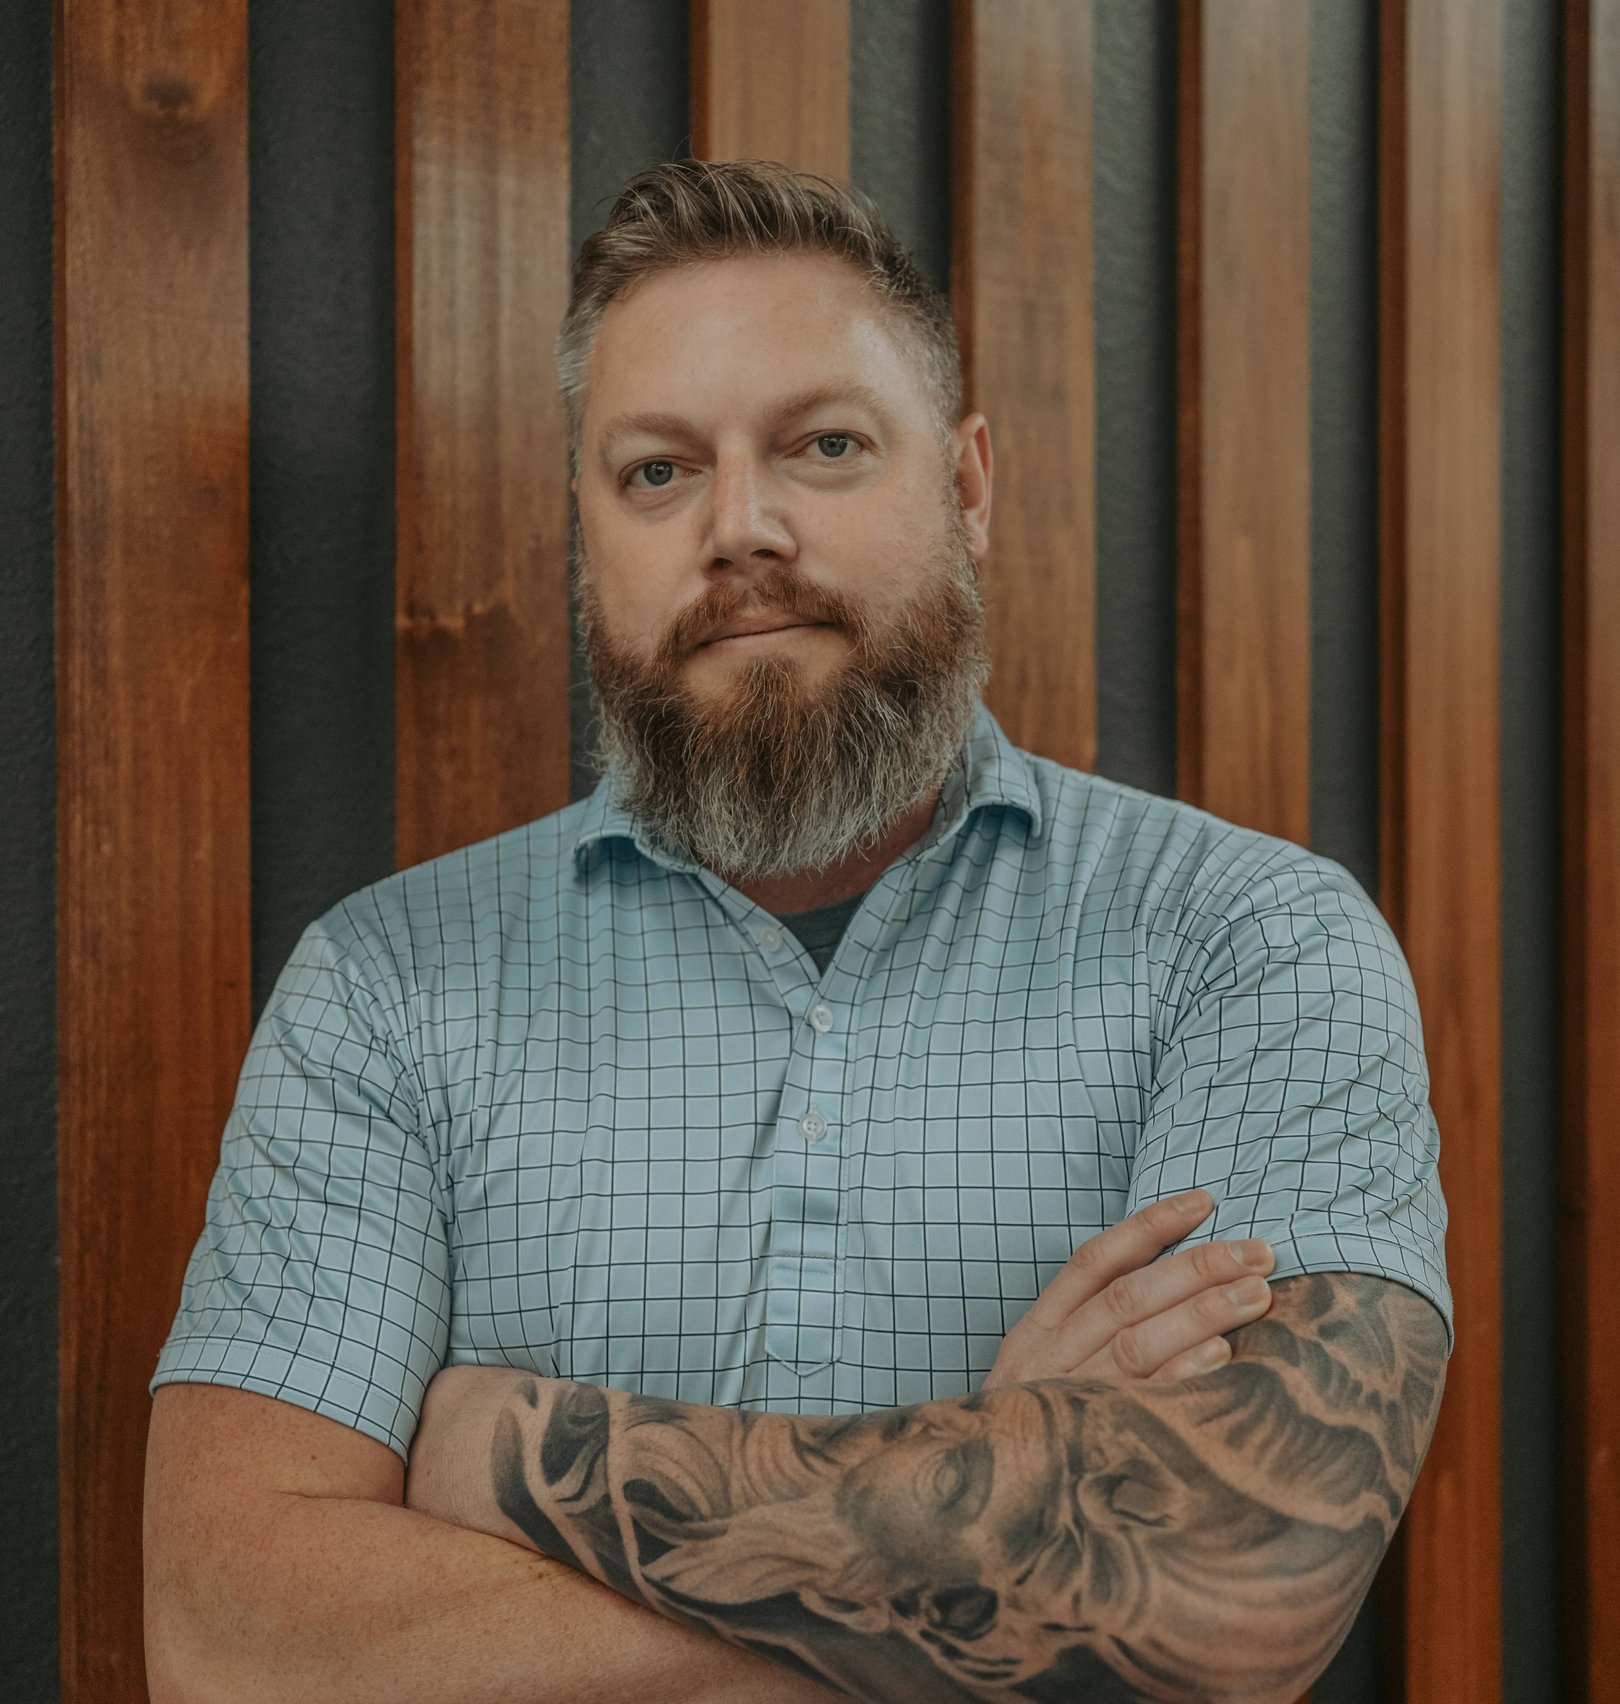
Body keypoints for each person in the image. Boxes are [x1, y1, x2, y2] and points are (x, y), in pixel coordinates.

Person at [143, 159, 1452, 1704]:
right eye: (657, 472)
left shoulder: (1253, 945)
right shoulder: (386, 991)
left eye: (823, 446)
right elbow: (232, 1642)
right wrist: (1005, 1489)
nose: (739, 527)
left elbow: (1240, 1592)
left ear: (965, 486)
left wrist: (500, 1462)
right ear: (588, 527)